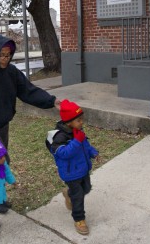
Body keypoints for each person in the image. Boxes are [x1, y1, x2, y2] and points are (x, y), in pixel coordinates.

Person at [0, 34, 60, 213]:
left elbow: (28, 91)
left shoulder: (11, 72)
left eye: (8, 55)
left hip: (3, 125)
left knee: (1, 163)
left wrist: (51, 101)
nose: (5, 58)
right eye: (2, 55)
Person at [46, 99, 100, 235]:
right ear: (68, 122)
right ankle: (79, 219)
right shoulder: (59, 137)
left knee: (87, 188)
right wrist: (76, 141)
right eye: (79, 120)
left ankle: (68, 194)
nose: (82, 122)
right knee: (79, 196)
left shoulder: (78, 131)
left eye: (82, 119)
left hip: (83, 169)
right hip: (70, 173)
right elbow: (63, 153)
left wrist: (93, 153)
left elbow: (85, 145)